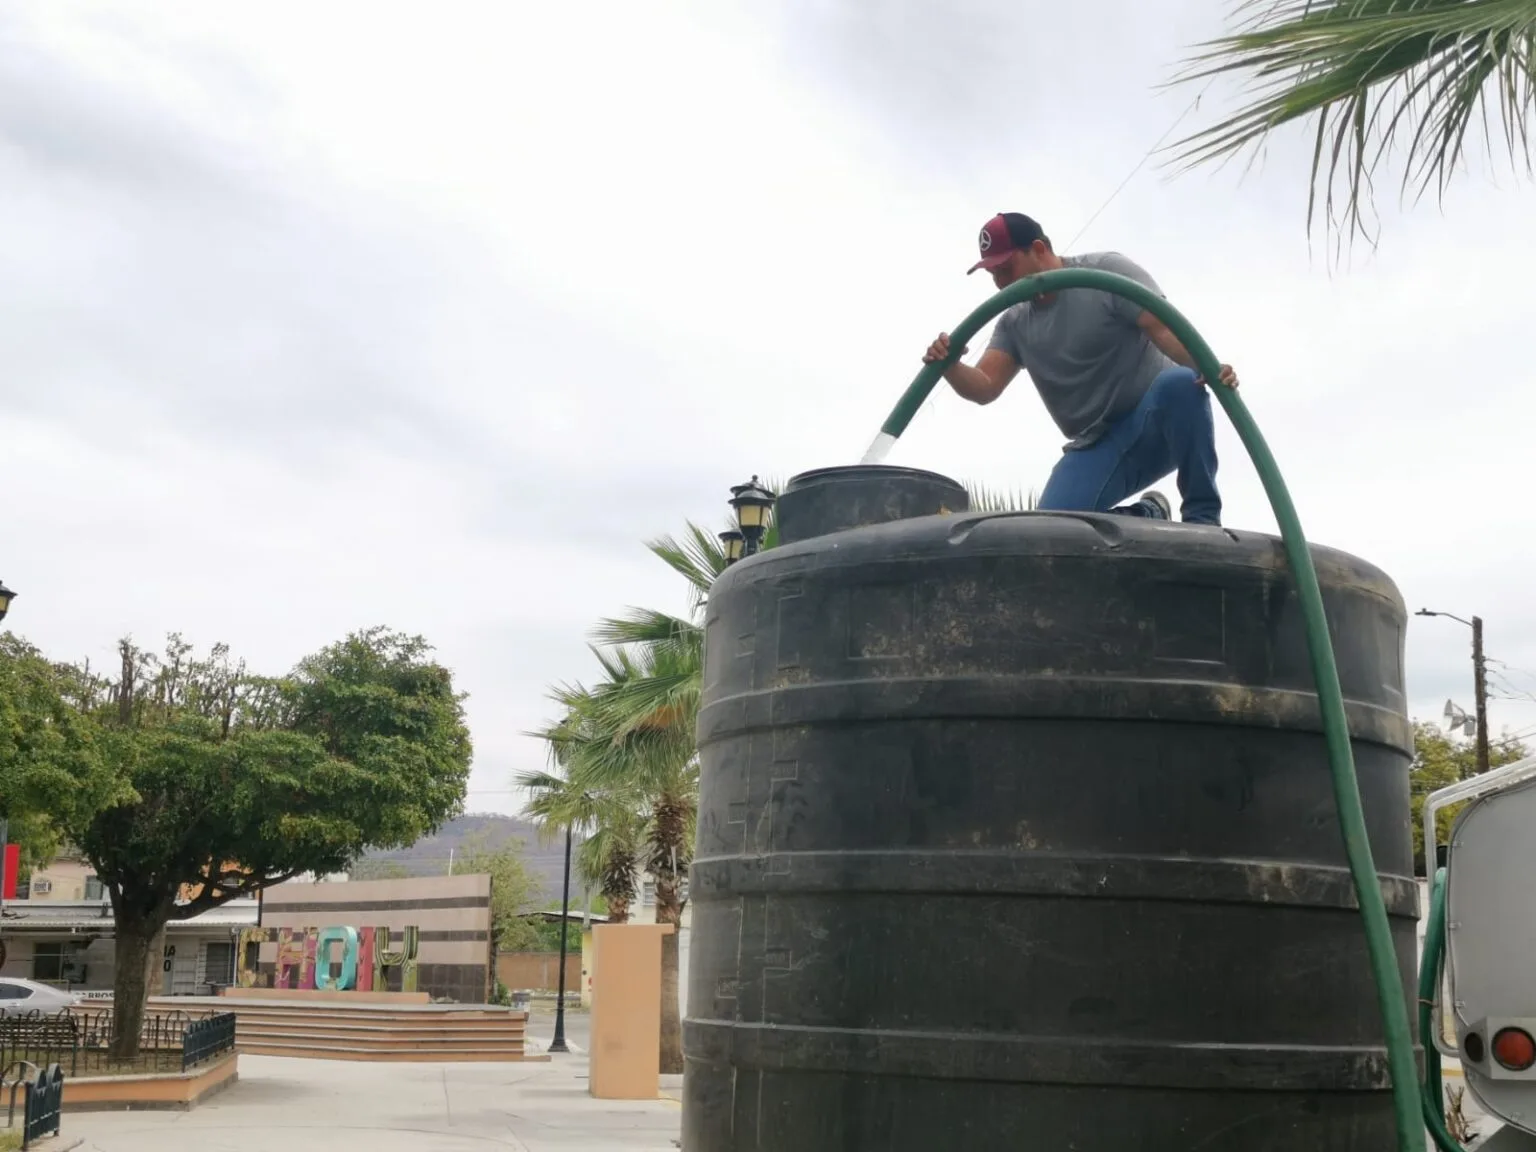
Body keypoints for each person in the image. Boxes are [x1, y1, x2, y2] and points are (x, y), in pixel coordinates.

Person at [923, 212, 1238, 526]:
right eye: (993, 274)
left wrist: (1209, 367)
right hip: (1097, 444)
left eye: (1006, 269)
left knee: (1183, 383)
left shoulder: (1106, 273)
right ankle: (1148, 515)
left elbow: (1166, 329)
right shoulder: (1015, 322)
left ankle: (1203, 518)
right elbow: (986, 386)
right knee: (1048, 530)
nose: (1001, 283)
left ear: (1039, 250)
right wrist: (950, 366)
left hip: (1155, 421)